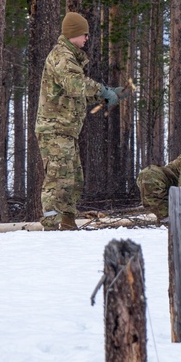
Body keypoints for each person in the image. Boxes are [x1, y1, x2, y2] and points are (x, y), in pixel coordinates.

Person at [35, 12, 123, 231]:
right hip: (55, 129)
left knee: (72, 179)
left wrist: (107, 94)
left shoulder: (69, 57)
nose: (86, 38)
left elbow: (78, 90)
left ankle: (67, 223)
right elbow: (76, 85)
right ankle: (51, 225)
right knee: (58, 179)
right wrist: (103, 90)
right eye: (84, 34)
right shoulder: (62, 57)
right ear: (73, 34)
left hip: (65, 130)